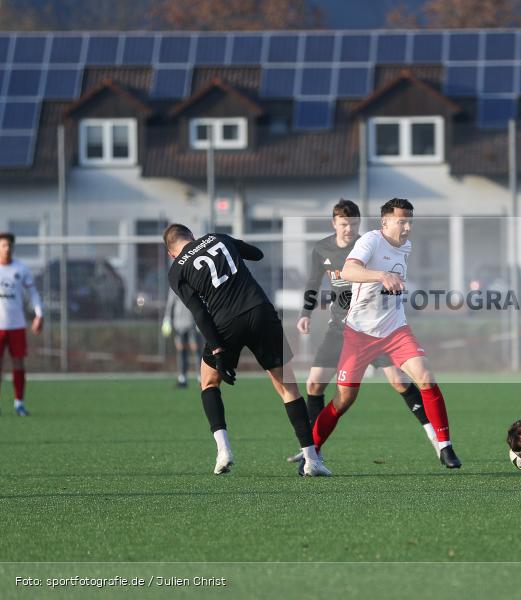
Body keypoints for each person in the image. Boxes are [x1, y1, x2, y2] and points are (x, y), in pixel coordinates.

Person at [163, 224, 329, 476]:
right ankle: (311, 459)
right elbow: (257, 254)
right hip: (260, 309)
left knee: (208, 382)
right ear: (193, 237)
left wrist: (217, 349)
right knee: (287, 386)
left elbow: (199, 311)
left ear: (171, 253)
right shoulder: (216, 237)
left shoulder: (177, 270)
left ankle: (223, 451)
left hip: (226, 323)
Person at [310, 198, 462, 468]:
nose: (406, 228)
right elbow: (348, 270)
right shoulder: (370, 240)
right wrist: (381, 275)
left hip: (395, 330)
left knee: (425, 377)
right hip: (359, 334)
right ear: (384, 222)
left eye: (409, 222)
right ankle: (312, 450)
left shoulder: (407, 245)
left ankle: (445, 446)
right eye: (401, 221)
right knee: (344, 399)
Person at [0, 233, 43, 416]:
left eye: (9, 245)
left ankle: (19, 403)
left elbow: (33, 293)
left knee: (18, 363)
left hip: (17, 325)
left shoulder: (21, 268)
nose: (6, 248)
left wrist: (39, 314)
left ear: (13, 247)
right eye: (3, 245)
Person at [162, 288, 202, 388]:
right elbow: (170, 303)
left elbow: (201, 301)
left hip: (192, 323)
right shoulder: (174, 285)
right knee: (181, 351)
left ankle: (201, 377)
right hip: (179, 324)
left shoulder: (193, 283)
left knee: (196, 350)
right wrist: (167, 318)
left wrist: (201, 319)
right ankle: (182, 378)